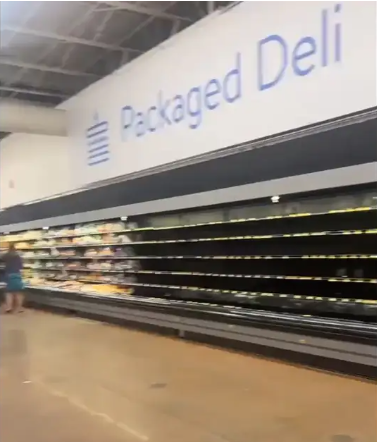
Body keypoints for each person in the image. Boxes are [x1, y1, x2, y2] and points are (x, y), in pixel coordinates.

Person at [2, 244, 24, 313]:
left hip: (9, 274)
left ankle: (9, 307)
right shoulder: (18, 256)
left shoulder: (5, 255)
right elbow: (21, 267)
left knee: (9, 292)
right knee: (18, 292)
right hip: (17, 274)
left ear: (8, 249)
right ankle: (20, 308)